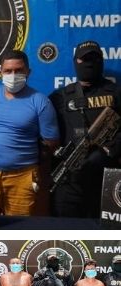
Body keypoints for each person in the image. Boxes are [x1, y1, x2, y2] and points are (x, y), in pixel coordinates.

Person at [0, 51, 60, 216]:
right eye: (8, 71)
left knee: (17, 232)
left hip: (22, 177)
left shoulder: (40, 101)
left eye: (19, 70)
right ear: (1, 72)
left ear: (28, 72)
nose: (13, 75)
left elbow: (51, 142)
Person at [50, 41, 121, 218]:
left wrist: (111, 149)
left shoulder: (116, 93)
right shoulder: (60, 97)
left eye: (94, 58)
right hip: (70, 180)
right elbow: (48, 134)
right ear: (76, 62)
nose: (90, 63)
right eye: (85, 59)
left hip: (107, 178)